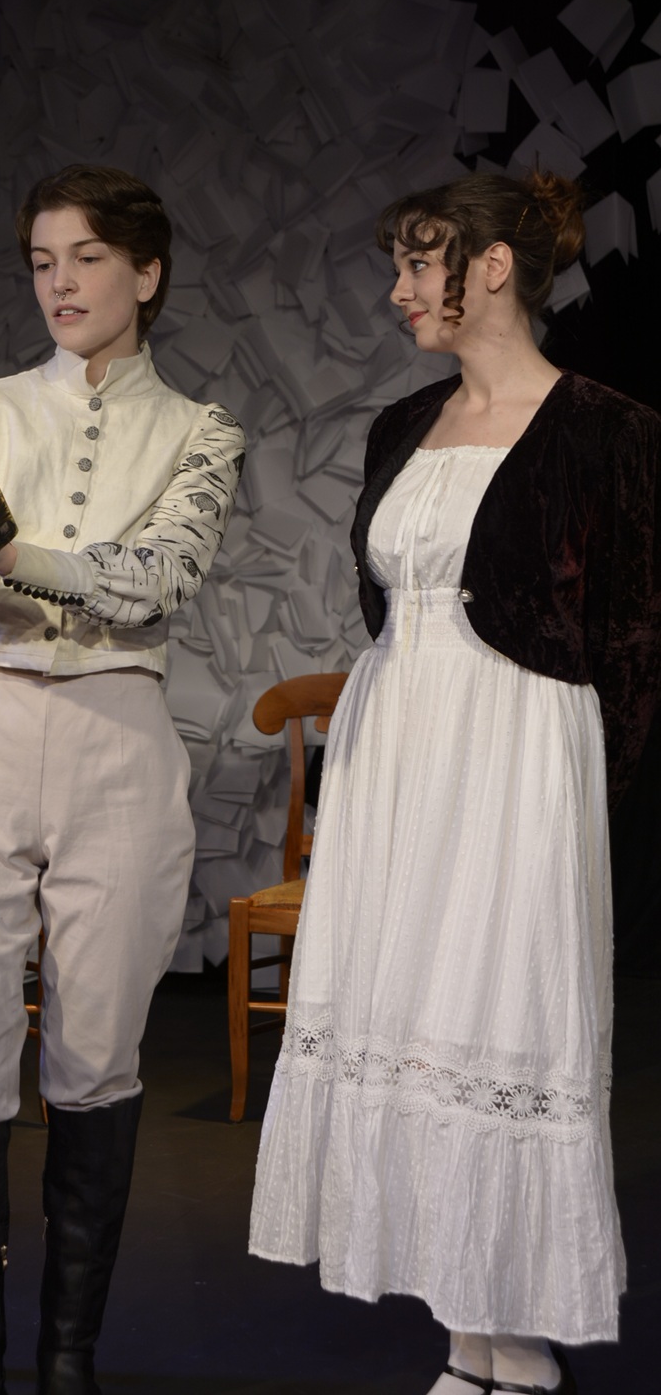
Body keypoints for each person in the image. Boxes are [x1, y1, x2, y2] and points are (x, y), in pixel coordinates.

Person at [249, 169, 661, 1395]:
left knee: (500, 1013)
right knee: (410, 1015)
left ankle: (518, 1347)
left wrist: (569, 788)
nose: (397, 288)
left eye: (417, 261)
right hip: (400, 746)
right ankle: (467, 1339)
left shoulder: (608, 429)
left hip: (517, 750)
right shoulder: (402, 424)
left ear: (490, 266)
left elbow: (636, 639)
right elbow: (383, 598)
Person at [0, 163, 245, 1395]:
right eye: (40, 261)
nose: (59, 283)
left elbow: (157, 575)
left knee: (95, 1062)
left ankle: (66, 1359)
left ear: (146, 271)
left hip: (115, 743)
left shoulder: (200, 431)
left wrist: (14, 549)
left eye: (85, 257)